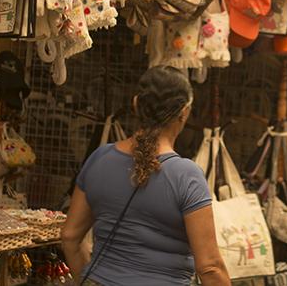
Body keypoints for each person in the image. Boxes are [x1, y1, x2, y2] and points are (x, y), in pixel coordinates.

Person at [62, 67, 231, 286]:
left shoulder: (99, 159)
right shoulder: (186, 176)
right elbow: (210, 268)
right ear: (185, 112)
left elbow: (70, 237)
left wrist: (88, 281)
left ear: (135, 104)